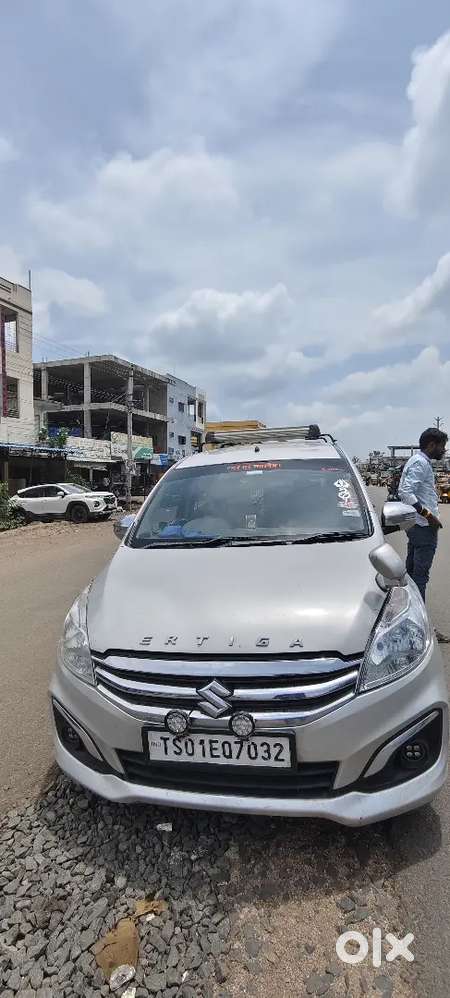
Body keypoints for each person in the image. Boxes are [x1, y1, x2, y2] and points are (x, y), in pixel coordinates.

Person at [398, 427, 448, 600]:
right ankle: (419, 621)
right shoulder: (420, 462)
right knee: (420, 577)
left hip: (417, 525)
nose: (444, 450)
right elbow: (406, 492)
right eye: (442, 446)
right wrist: (429, 515)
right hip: (424, 526)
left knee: (412, 572)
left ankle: (409, 613)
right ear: (432, 444)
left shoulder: (418, 461)